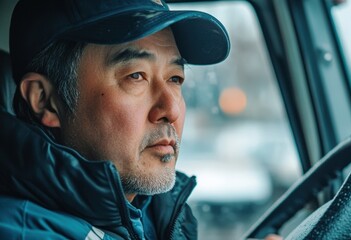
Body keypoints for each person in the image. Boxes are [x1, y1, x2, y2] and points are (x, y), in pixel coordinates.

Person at [0, 0, 229, 239]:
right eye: (136, 76)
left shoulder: (147, 212)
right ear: (45, 100)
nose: (171, 110)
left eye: (175, 78)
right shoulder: (20, 230)